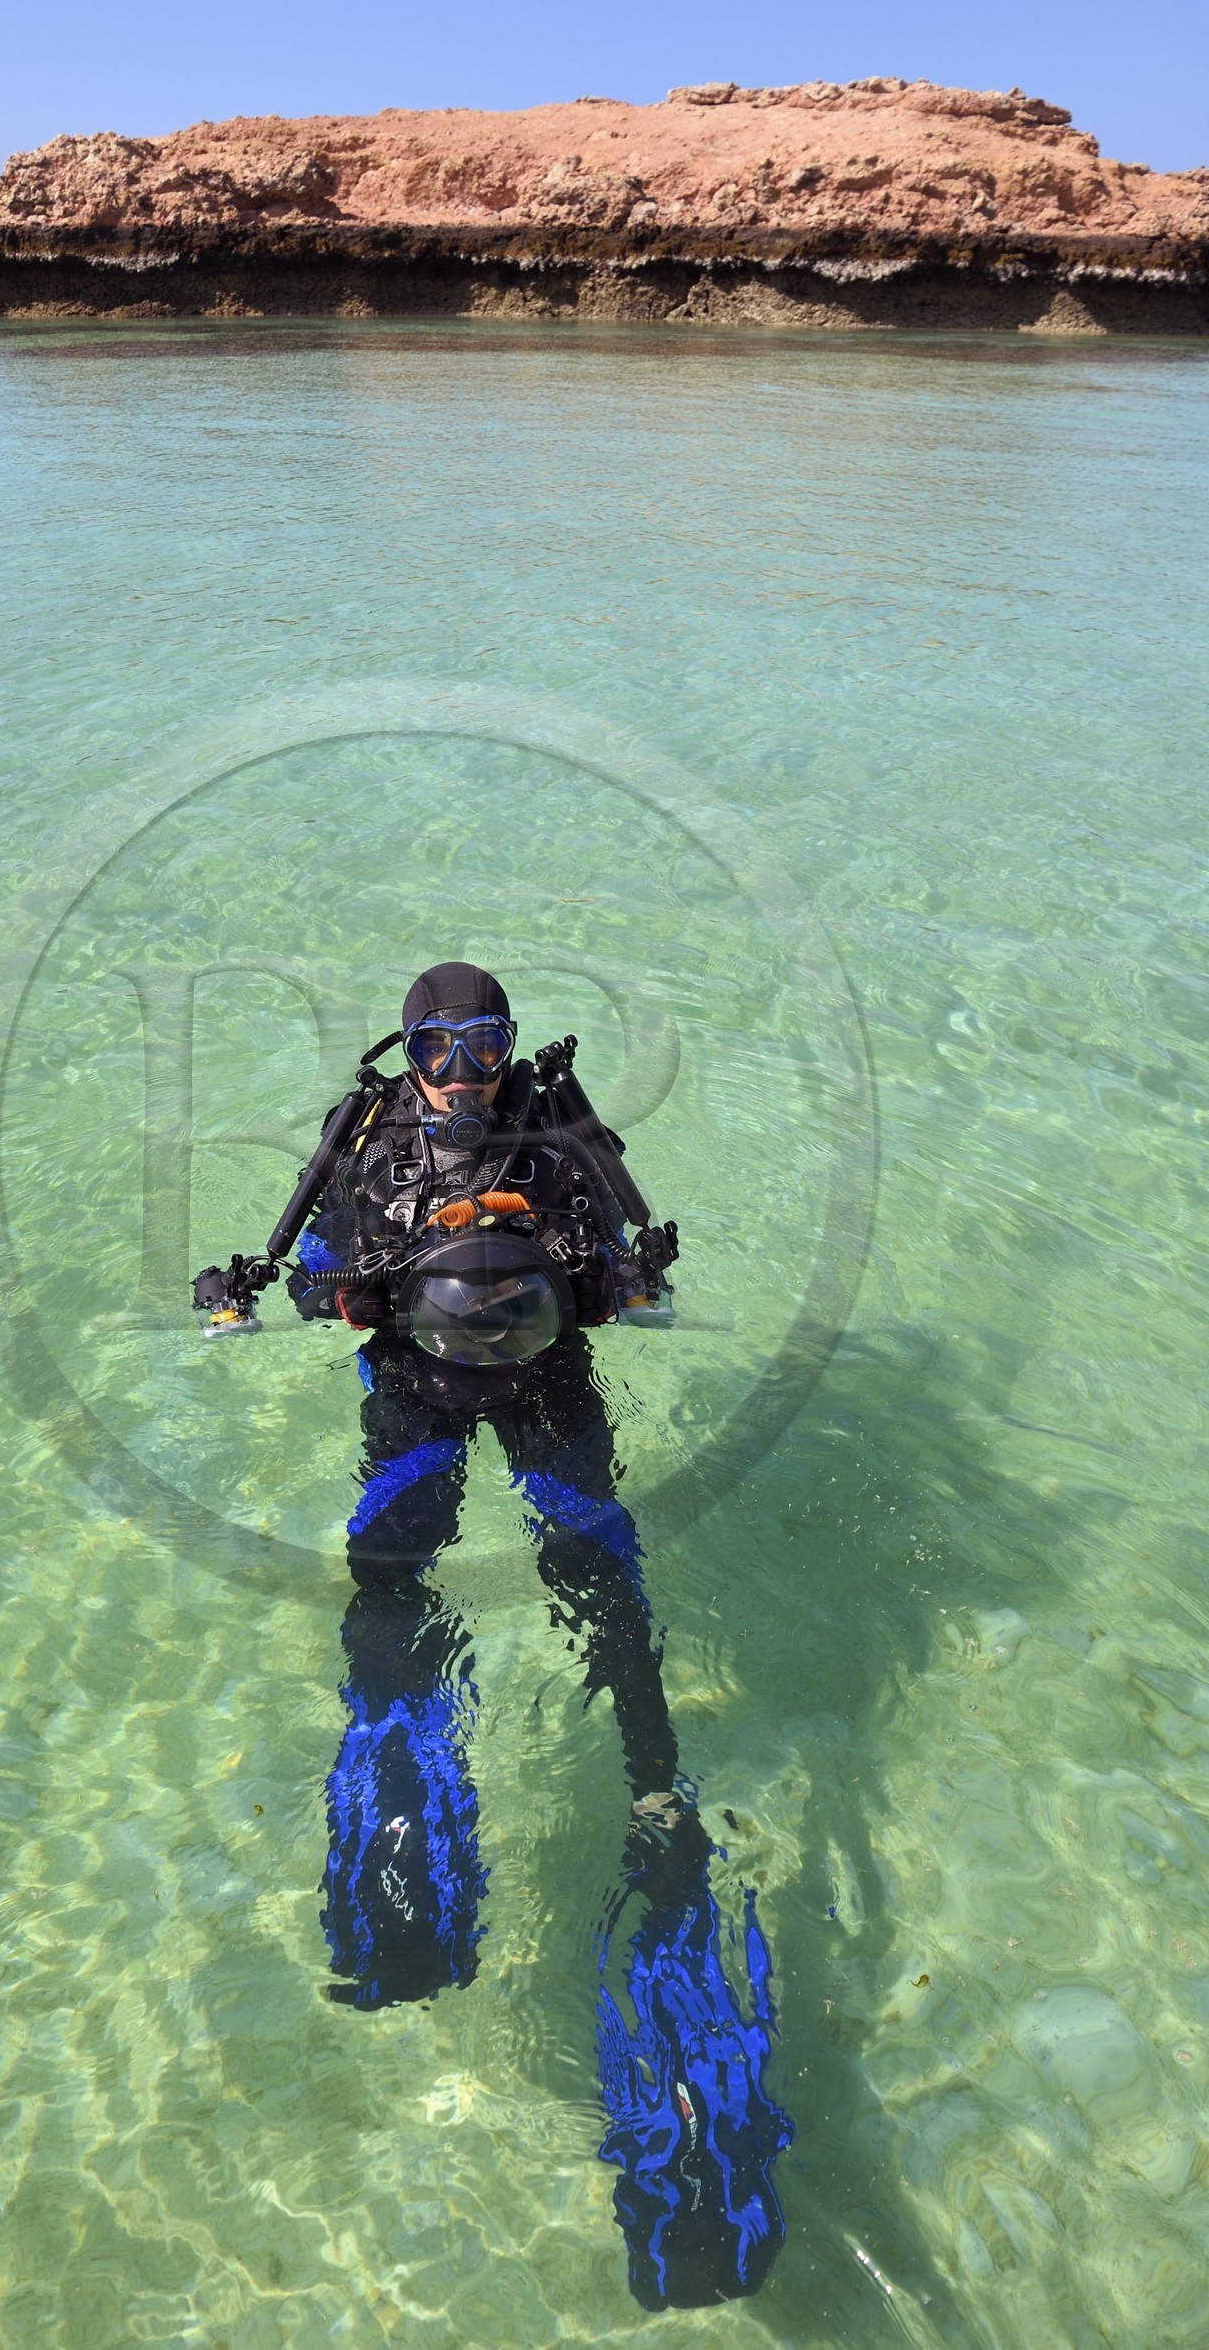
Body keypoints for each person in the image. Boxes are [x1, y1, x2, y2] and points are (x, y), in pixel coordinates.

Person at [204, 961, 792, 2306]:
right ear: (405, 1049)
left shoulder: (554, 1144)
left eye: (485, 1043)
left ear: (510, 1047)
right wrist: (320, 1296)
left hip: (545, 1397)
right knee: (388, 1572)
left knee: (606, 1583)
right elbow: (301, 1276)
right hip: (415, 1397)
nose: (463, 1069)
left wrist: (613, 1284)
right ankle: (403, 1756)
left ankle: (657, 1802)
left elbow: (621, 1281)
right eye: (437, 1044)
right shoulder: (372, 1146)